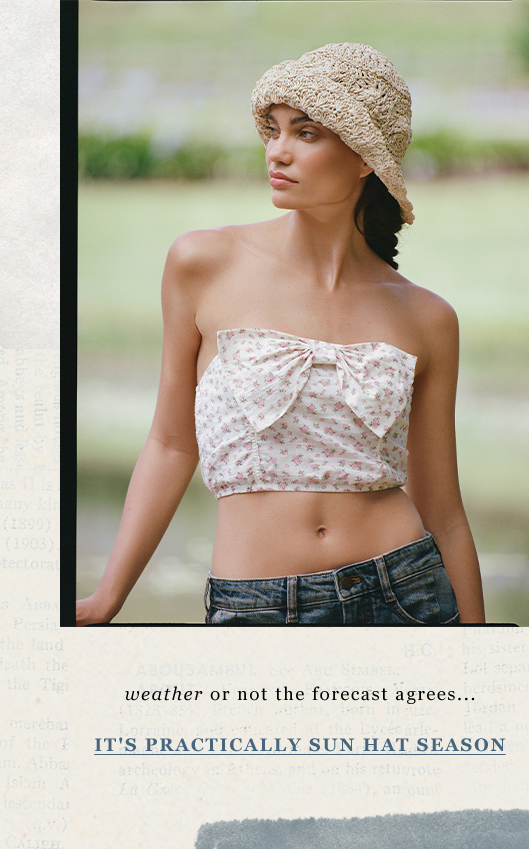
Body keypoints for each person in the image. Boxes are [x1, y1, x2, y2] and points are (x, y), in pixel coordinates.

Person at [76, 43, 485, 626]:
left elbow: (443, 510)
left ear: (366, 157)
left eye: (307, 133)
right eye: (273, 130)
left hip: (405, 593)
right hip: (254, 605)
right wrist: (107, 597)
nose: (278, 151)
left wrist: (486, 651)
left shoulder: (427, 317)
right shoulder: (203, 263)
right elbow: (171, 444)